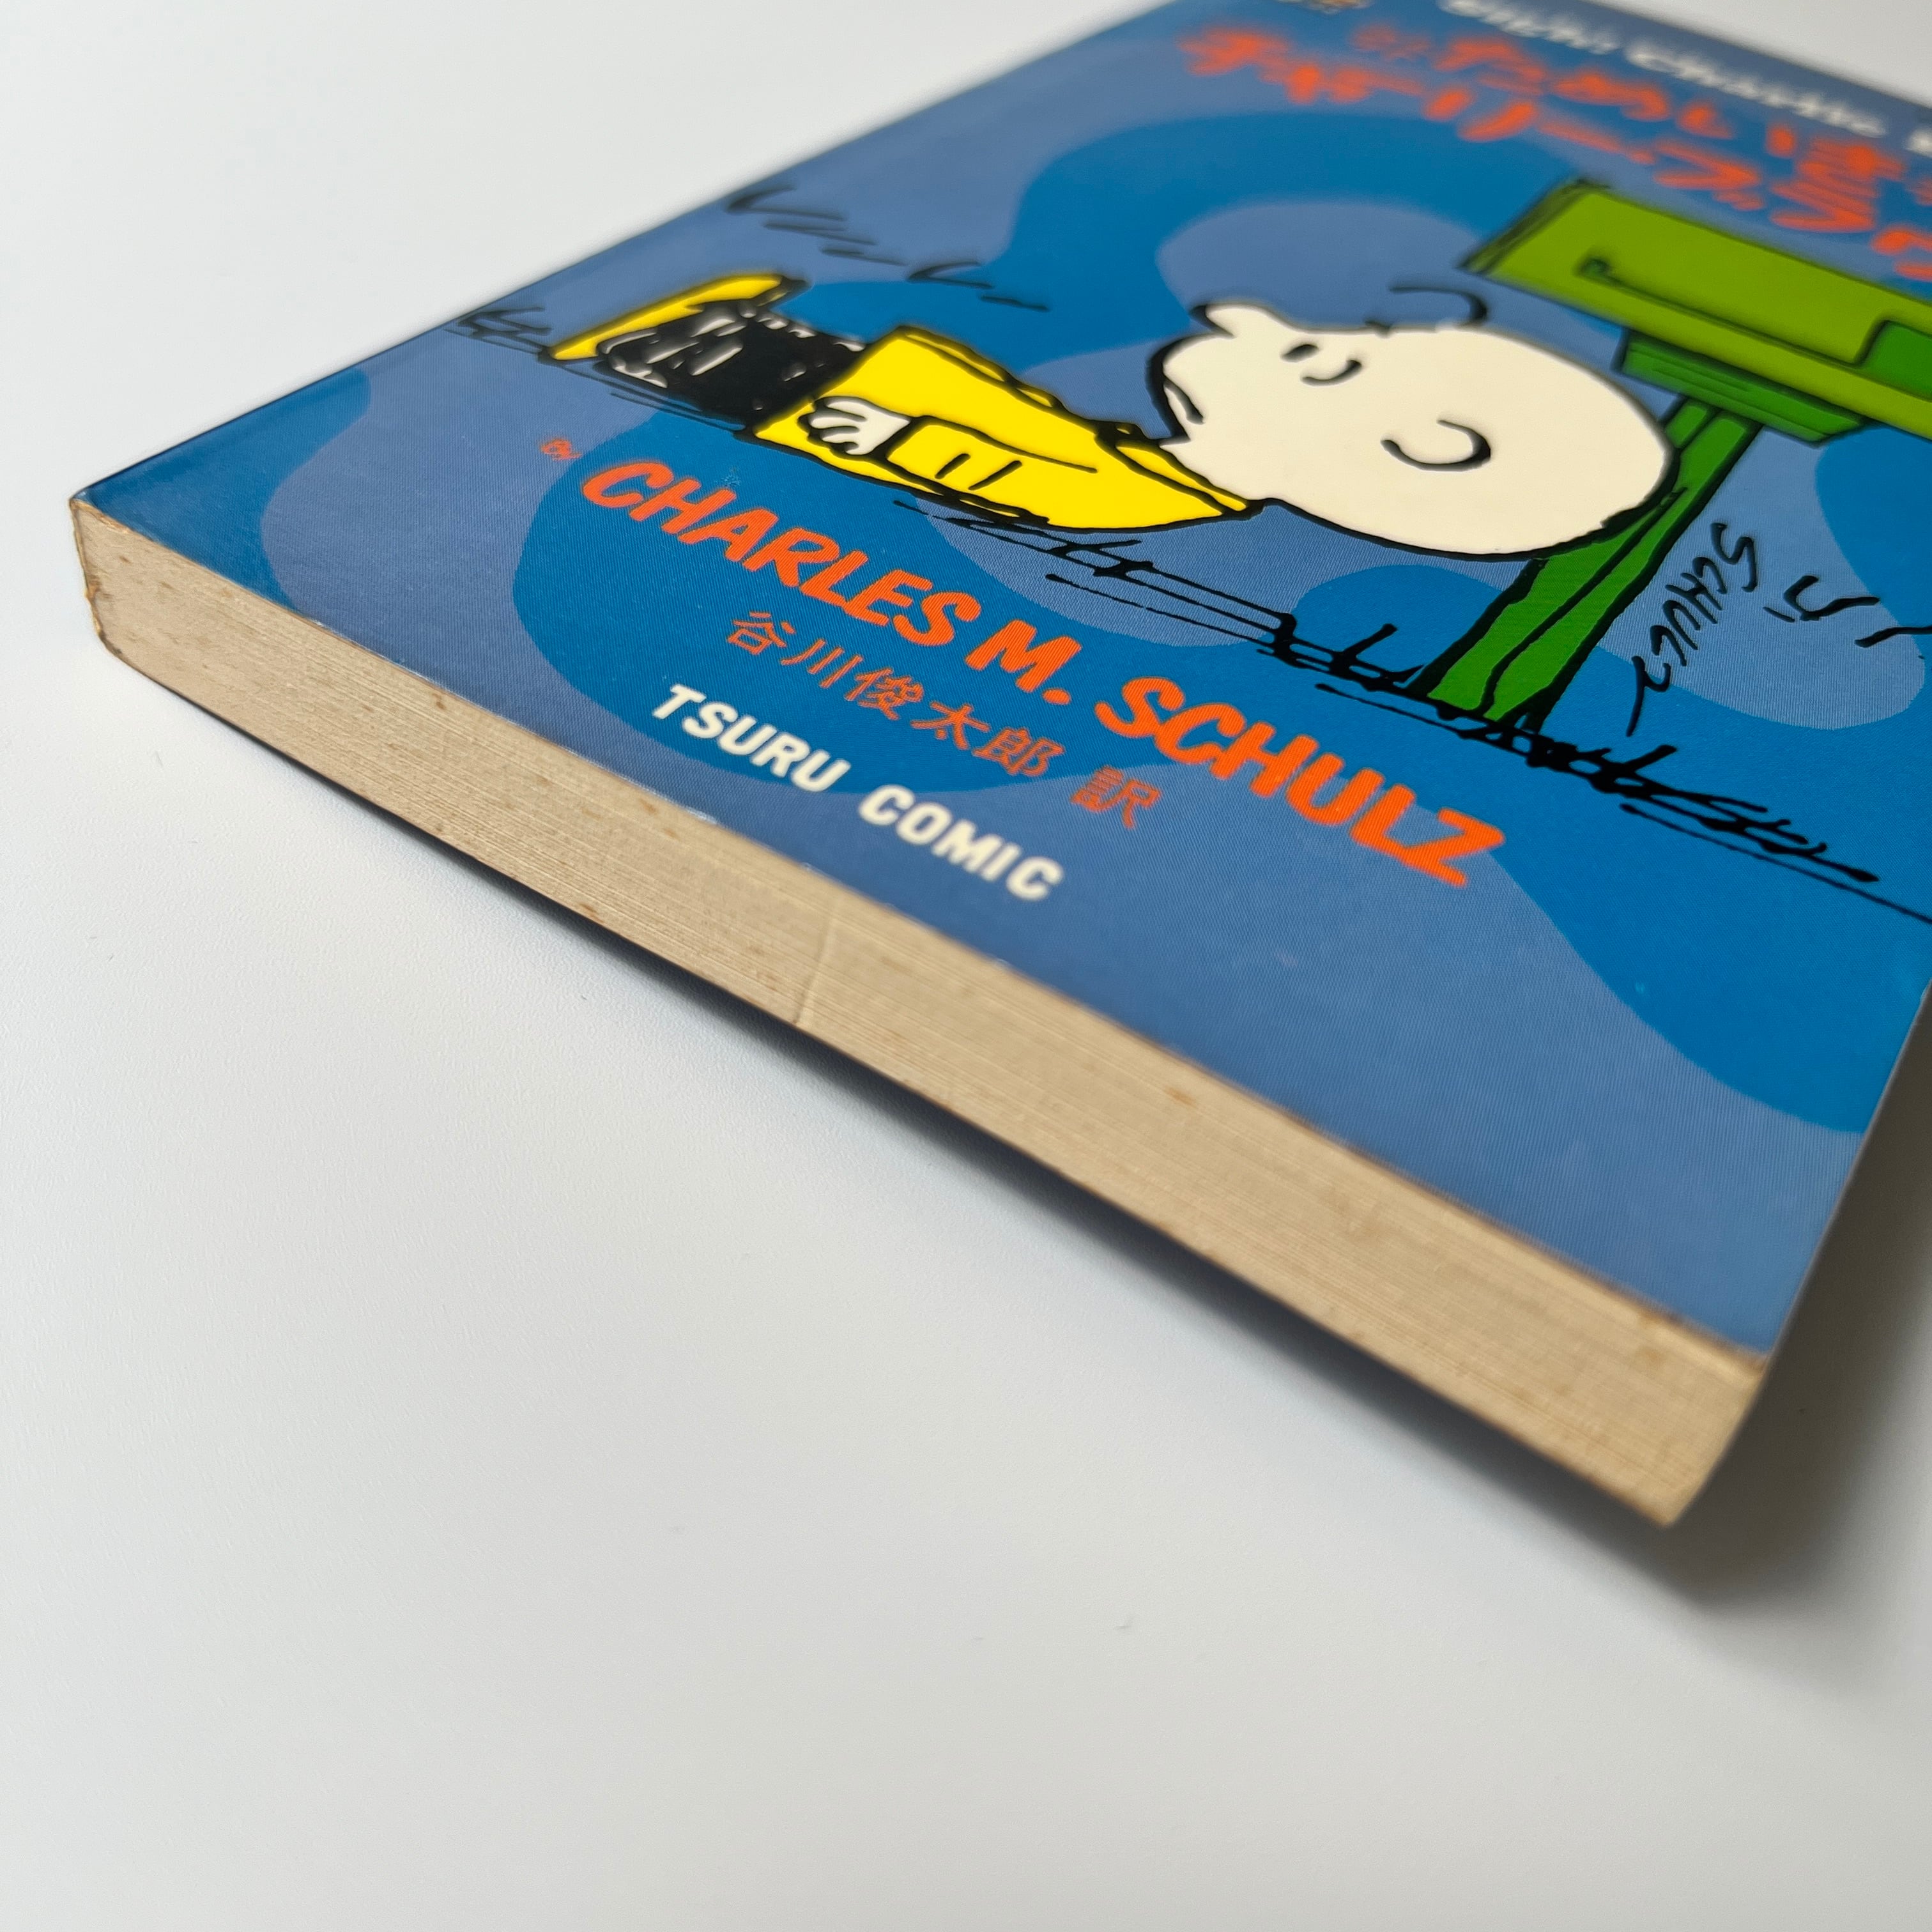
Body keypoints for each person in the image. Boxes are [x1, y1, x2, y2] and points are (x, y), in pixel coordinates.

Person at [545, 272, 1671, 558]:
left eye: (1317, 359)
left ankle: (656, 346)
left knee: (741, 369)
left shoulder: (1138, 496)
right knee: (774, 351)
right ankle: (702, 331)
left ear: (1425, 451)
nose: (1239, 310)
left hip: (839, 407)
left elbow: (1013, 478)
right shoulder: (1152, 470)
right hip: (863, 383)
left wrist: (890, 439)